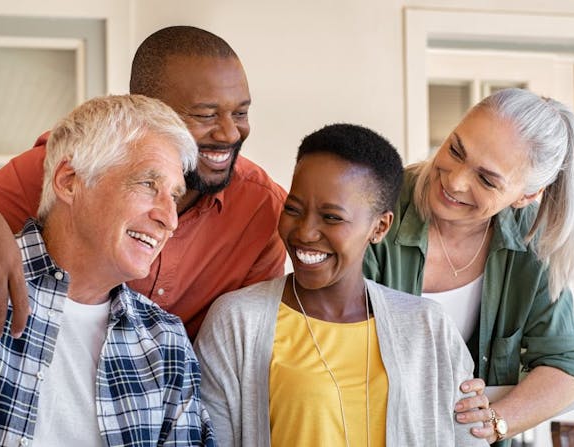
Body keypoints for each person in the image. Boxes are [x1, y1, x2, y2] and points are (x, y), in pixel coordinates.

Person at [0, 26, 286, 340]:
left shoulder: (262, 208)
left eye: (241, 112)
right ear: (148, 110)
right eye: (206, 114)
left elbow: (241, 343)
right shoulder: (76, 165)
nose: (230, 133)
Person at [0, 95, 214, 446]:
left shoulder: (165, 341)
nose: (169, 219)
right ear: (69, 181)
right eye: (147, 184)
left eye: (174, 196)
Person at [194, 124, 486, 446]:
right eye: (293, 209)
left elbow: (467, 437)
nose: (305, 232)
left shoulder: (428, 327)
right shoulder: (238, 321)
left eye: (331, 217)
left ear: (379, 227)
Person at [363, 88, 574, 445]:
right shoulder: (378, 203)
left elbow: (567, 365)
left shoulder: (530, 243)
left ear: (527, 196)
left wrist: (495, 421)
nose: (455, 180)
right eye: (456, 149)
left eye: (487, 179)